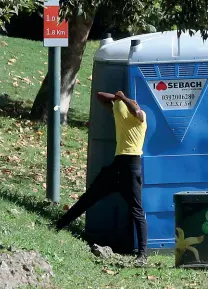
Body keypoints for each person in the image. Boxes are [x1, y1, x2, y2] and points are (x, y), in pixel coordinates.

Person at [54, 90, 149, 266]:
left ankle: (143, 254)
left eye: (135, 101)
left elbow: (136, 111)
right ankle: (58, 226)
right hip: (117, 165)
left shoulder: (140, 117)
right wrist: (117, 97)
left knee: (136, 210)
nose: (134, 102)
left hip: (132, 166)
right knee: (88, 199)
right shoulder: (120, 116)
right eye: (132, 101)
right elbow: (99, 96)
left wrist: (125, 98)